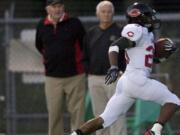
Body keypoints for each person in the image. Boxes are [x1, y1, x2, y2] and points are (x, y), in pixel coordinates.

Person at [70, 2, 180, 135]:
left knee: (104, 119)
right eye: (148, 16)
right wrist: (114, 67)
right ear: (138, 17)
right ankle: (154, 132)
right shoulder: (136, 29)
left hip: (127, 83)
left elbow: (148, 60)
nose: (151, 18)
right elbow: (115, 46)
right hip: (137, 80)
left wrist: (164, 57)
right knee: (173, 101)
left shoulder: (147, 34)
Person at [35, 0, 86, 135]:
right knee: (54, 113)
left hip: (75, 76)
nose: (57, 9)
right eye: (54, 6)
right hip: (52, 78)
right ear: (47, 9)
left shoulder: (75, 23)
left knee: (77, 113)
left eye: (60, 6)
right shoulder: (41, 25)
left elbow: (84, 45)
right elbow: (39, 46)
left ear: (63, 7)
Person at [83, 1, 127, 135]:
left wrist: (123, 72)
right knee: (100, 114)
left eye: (109, 11)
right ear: (97, 14)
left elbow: (127, 54)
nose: (106, 14)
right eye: (103, 11)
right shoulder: (90, 33)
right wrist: (89, 73)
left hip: (115, 79)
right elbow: (85, 55)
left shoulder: (121, 32)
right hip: (95, 79)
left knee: (117, 113)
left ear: (113, 13)